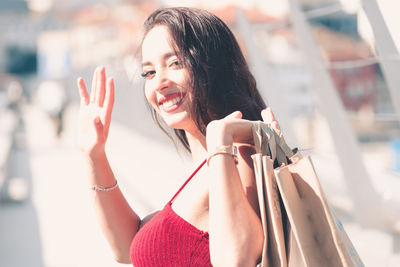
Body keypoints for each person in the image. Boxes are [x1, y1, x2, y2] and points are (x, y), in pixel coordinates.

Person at [77, 7, 281, 267]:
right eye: (149, 72)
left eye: (175, 63)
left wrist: (221, 143)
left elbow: (237, 260)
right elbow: (127, 247)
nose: (159, 82)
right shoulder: (208, 162)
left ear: (213, 66)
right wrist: (94, 155)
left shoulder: (240, 153)